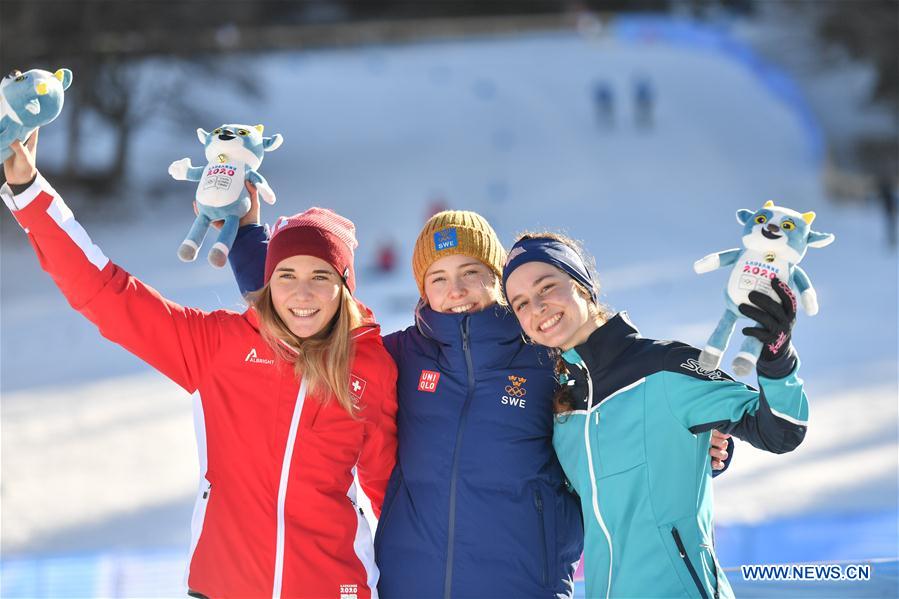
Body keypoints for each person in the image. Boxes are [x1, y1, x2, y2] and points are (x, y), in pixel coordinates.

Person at [228, 206, 733, 598]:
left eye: (471, 272)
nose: (457, 291)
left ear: (498, 277)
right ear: (422, 290)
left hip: (522, 585)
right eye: (439, 278)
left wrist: (696, 441)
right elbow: (311, 315)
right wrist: (248, 239)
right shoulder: (397, 356)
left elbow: (623, 416)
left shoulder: (546, 356)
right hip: (412, 584)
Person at [1, 133, 398, 599]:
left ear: (345, 287)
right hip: (224, 586)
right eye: (286, 275)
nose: (302, 293)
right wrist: (29, 192)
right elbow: (105, 292)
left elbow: (392, 499)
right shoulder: (219, 345)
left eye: (321, 277)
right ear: (269, 284)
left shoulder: (371, 368)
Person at [502, 233, 810, 599]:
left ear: (582, 285)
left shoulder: (665, 368)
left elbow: (780, 431)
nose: (537, 307)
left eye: (547, 287)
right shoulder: (562, 410)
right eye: (520, 304)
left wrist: (777, 355)